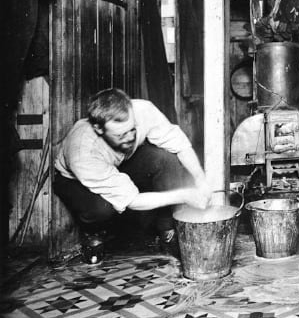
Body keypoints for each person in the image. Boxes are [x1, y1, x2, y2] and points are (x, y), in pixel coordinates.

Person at [54, 88, 211, 264]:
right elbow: (132, 200)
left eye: (132, 130)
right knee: (102, 208)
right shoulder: (83, 152)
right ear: (99, 128)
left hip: (122, 162)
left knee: (164, 158)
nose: (130, 138)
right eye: (121, 134)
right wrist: (184, 194)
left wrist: (201, 179)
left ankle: (168, 231)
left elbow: (180, 145)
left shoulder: (143, 110)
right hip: (75, 181)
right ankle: (93, 234)